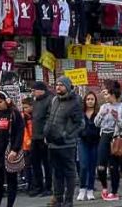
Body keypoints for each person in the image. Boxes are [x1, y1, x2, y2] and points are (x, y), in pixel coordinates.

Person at [44, 76, 84, 207]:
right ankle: (58, 198)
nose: (58, 87)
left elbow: (80, 123)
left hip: (66, 145)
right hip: (52, 143)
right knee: (57, 173)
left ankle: (68, 200)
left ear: (67, 86)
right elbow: (50, 117)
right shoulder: (54, 100)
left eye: (61, 85)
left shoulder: (75, 102)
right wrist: (47, 131)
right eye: (57, 85)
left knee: (69, 173)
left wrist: (66, 135)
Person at [95, 81, 122, 202]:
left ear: (113, 94)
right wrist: (101, 115)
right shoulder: (103, 107)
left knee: (113, 166)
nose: (104, 96)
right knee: (100, 165)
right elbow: (96, 123)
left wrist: (117, 118)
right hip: (104, 136)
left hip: (116, 137)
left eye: (106, 93)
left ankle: (114, 191)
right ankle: (104, 187)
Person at [0, 91, 24, 207]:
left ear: (6, 101)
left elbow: (20, 132)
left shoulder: (14, 114)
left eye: (0, 102)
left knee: (11, 180)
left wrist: (15, 149)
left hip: (9, 149)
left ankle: (10, 204)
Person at [29, 82, 52, 197]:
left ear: (40, 90)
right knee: (35, 162)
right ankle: (38, 185)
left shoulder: (50, 100)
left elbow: (49, 118)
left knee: (47, 163)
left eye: (34, 90)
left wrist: (45, 134)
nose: (32, 93)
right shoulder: (35, 100)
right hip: (35, 136)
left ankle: (48, 186)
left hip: (44, 137)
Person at [77, 92, 101, 202]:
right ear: (85, 101)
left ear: (95, 101)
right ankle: (82, 188)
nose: (90, 101)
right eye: (88, 99)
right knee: (83, 166)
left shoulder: (98, 113)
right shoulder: (81, 113)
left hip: (95, 142)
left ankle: (90, 189)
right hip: (83, 142)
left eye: (92, 99)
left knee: (92, 167)